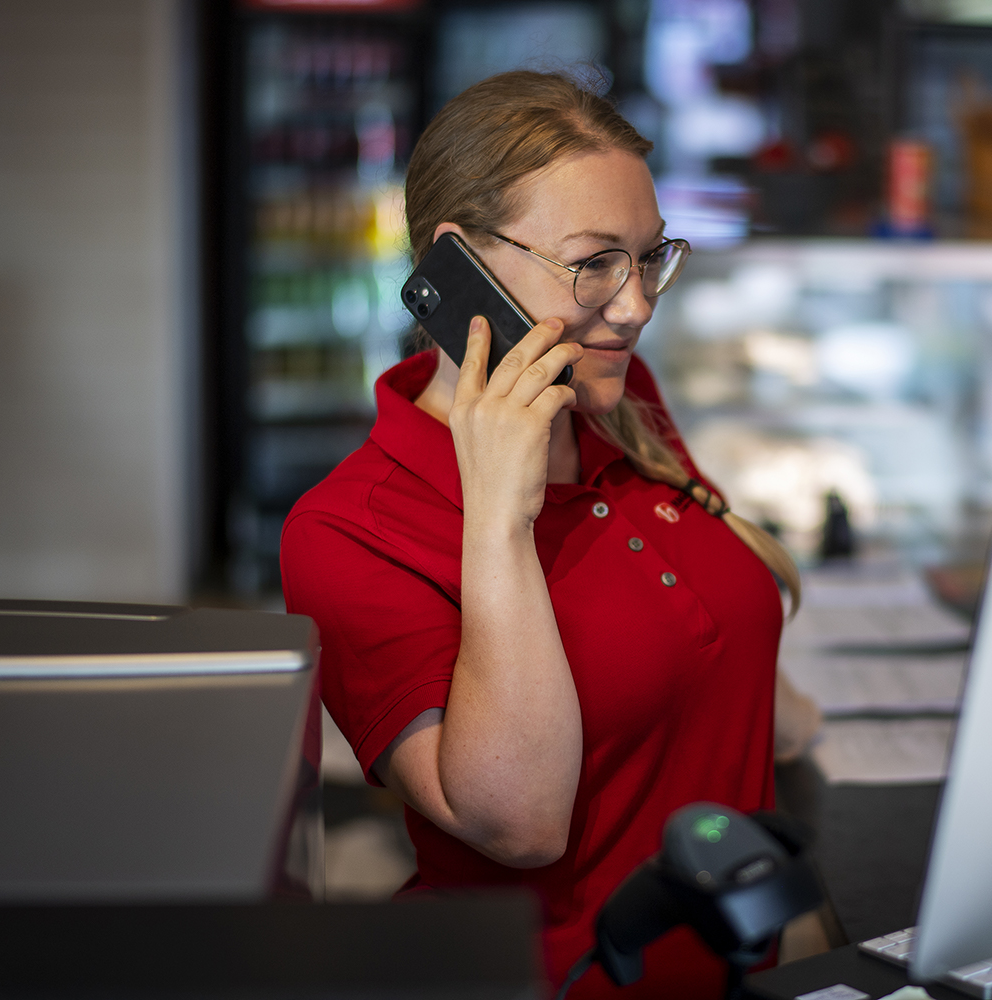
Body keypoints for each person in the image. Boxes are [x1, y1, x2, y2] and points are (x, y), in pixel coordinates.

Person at [280, 71, 820, 998]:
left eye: (651, 257)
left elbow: (747, 692)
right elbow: (520, 823)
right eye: (593, 262)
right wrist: (499, 514)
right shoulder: (346, 531)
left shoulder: (617, 403)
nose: (638, 304)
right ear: (458, 267)